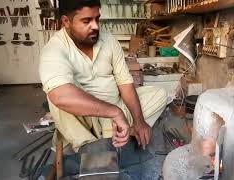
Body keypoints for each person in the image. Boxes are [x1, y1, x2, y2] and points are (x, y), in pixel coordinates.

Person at [39, 0, 167, 152]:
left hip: (114, 106)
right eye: (86, 21)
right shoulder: (54, 49)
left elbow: (125, 84)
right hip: (85, 118)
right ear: (66, 21)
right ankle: (89, 145)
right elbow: (61, 96)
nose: (95, 26)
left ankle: (116, 133)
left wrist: (139, 121)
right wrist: (115, 112)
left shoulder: (109, 41)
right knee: (57, 94)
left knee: (159, 94)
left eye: (97, 18)